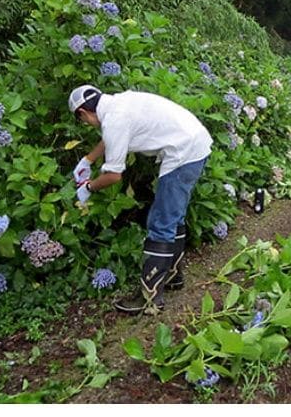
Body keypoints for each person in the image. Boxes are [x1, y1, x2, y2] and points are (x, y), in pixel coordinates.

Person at [68, 83, 212, 314]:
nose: (85, 124)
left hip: (183, 153)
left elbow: (114, 176)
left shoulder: (114, 121)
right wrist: (88, 160)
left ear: (83, 113)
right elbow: (112, 137)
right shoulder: (118, 103)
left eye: (82, 120)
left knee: (161, 221)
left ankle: (150, 297)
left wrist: (88, 188)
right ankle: (173, 277)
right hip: (195, 142)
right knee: (173, 215)